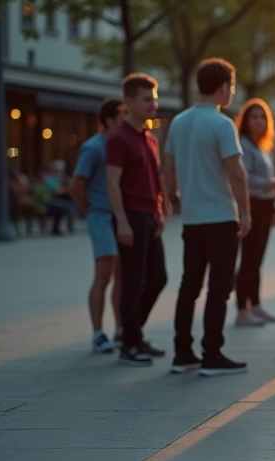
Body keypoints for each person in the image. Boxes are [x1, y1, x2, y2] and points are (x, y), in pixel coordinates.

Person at [164, 58, 252, 376]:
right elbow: (237, 173)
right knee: (219, 287)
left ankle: (182, 352)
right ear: (223, 87)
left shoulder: (178, 122)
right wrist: (245, 211)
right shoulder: (222, 124)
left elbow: (169, 169)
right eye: (232, 86)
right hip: (220, 217)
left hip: (192, 219)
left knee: (189, 286)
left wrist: (170, 201)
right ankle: (212, 353)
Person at [106, 72, 169, 367]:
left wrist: (160, 210)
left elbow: (155, 179)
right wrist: (121, 220)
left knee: (158, 277)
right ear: (129, 102)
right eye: (147, 100)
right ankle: (129, 344)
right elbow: (112, 181)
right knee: (132, 281)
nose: (153, 105)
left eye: (154, 99)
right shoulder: (119, 138)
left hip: (149, 215)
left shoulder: (150, 138)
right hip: (130, 215)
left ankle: (133, 334)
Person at [71, 98, 126, 354]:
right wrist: (90, 210)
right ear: (109, 119)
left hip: (119, 217)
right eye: (122, 115)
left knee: (121, 276)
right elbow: (76, 185)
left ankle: (121, 328)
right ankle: (98, 333)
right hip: (102, 216)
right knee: (103, 275)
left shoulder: (121, 144)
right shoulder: (93, 147)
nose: (126, 119)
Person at [234, 97, 275, 328]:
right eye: (254, 117)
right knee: (248, 258)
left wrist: (273, 206)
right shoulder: (245, 145)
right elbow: (245, 178)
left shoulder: (264, 148)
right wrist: (272, 183)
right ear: (246, 121)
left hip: (265, 206)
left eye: (262, 117)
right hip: (252, 205)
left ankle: (255, 304)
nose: (259, 121)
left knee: (257, 259)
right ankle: (242, 310)